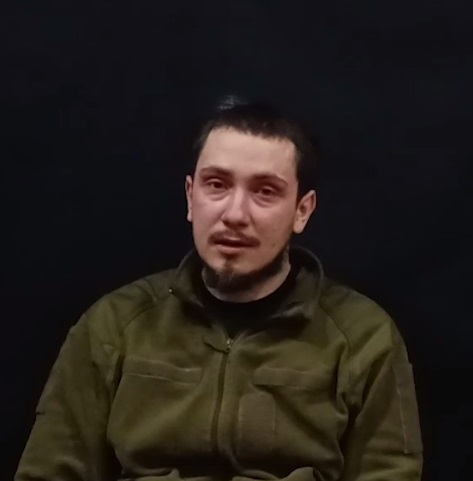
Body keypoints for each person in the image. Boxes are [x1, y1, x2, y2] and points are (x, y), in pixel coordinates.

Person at [15, 99, 423, 481]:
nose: (235, 214)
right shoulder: (115, 324)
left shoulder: (362, 337)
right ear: (190, 197)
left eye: (265, 191)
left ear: (302, 210)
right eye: (216, 184)